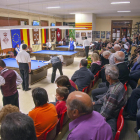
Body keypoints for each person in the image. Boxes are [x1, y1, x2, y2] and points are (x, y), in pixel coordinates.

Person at [93, 65, 127, 138]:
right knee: (92, 104)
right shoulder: (118, 84)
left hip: (111, 116)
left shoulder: (114, 92)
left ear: (108, 77)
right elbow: (106, 96)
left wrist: (95, 121)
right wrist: (95, 103)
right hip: (110, 110)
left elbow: (106, 113)